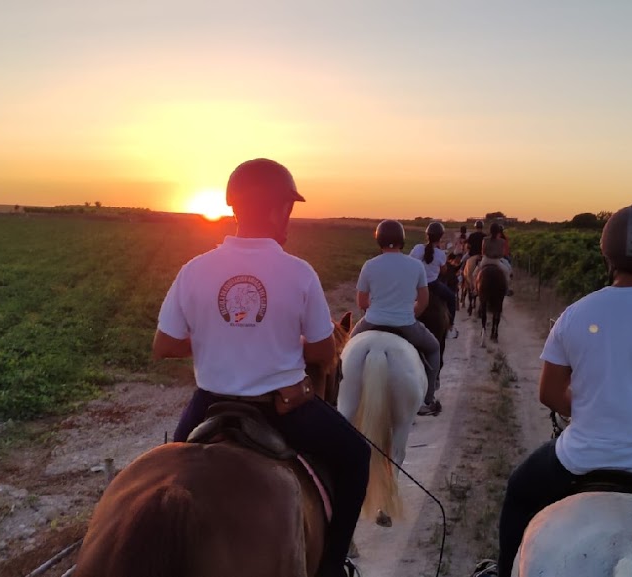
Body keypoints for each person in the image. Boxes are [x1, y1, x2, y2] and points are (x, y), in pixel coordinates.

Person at [476, 203, 632, 577]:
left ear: (606, 256)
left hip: (579, 460)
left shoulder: (576, 314)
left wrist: (591, 408)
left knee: (519, 491)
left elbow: (549, 393)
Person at [154, 158, 370, 577]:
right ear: (278, 209)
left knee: (167, 478)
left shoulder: (194, 269)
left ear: (235, 207)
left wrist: (218, 337)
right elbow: (323, 352)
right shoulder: (299, 273)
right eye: (288, 208)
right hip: (283, 408)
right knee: (356, 457)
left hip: (208, 405)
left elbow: (164, 345)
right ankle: (331, 568)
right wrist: (284, 343)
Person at [352, 220, 443, 416]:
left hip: (372, 322)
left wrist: (377, 310)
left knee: (347, 348)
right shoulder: (415, 265)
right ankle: (427, 399)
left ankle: (339, 395)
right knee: (434, 348)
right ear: (402, 240)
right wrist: (408, 315)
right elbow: (423, 300)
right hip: (406, 324)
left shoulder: (369, 265)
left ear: (379, 240)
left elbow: (361, 302)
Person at [410, 221, 458, 336]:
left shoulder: (417, 248)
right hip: (433, 285)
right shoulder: (440, 254)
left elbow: (410, 262)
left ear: (427, 235)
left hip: (417, 285)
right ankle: (450, 327)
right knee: (451, 297)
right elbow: (444, 271)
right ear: (440, 237)